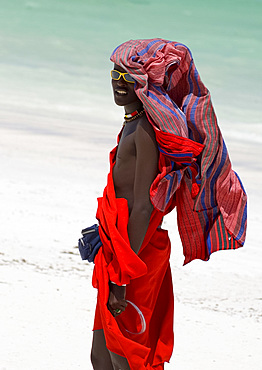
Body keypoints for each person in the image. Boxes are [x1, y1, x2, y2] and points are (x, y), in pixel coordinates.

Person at [90, 39, 247, 370]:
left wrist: (121, 275)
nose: (119, 83)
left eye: (129, 77)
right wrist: (101, 234)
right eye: (114, 73)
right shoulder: (133, 123)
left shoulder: (144, 130)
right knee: (102, 356)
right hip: (122, 247)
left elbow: (145, 206)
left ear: (146, 84)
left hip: (135, 254)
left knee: (126, 358)